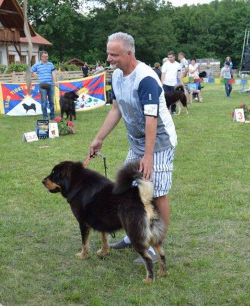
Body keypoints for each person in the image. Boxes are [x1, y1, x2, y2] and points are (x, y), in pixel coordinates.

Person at [89, 32, 177, 264]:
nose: (109, 58)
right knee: (130, 190)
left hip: (158, 143)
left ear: (129, 53)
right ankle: (134, 236)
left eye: (114, 54)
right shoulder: (116, 76)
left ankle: (158, 248)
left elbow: (151, 120)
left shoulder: (146, 78)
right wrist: (99, 138)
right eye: (108, 53)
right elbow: (116, 110)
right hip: (137, 143)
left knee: (157, 194)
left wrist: (148, 156)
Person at [31, 51, 57, 120]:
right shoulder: (37, 65)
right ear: (41, 57)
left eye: (47, 56)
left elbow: (53, 73)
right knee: (44, 101)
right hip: (42, 86)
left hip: (50, 85)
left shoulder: (50, 64)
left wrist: (55, 81)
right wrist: (35, 76)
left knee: (51, 101)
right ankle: (45, 116)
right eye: (45, 57)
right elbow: (30, 71)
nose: (46, 58)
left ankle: (52, 116)